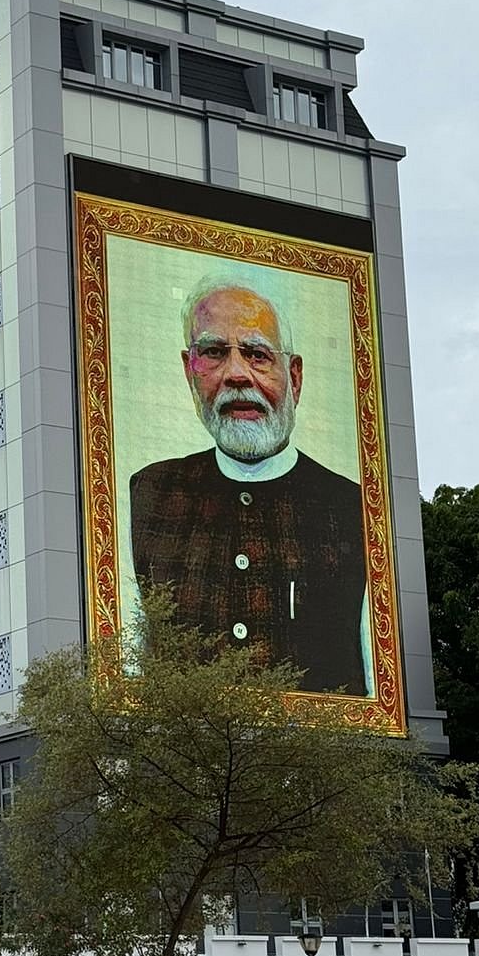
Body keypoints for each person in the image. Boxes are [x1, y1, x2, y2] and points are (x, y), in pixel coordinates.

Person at [130, 278, 370, 694]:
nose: (236, 374)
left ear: (294, 377)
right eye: (213, 353)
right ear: (189, 370)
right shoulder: (147, 494)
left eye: (257, 355)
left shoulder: (354, 509)